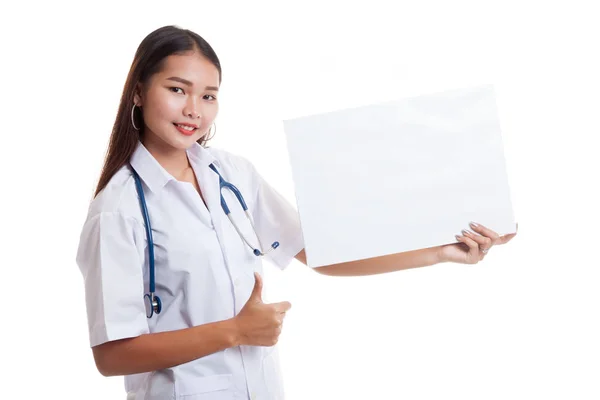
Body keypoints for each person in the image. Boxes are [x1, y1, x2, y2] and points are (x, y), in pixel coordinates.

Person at [76, 25, 518, 400]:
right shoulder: (117, 210)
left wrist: (441, 251)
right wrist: (236, 331)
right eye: (177, 90)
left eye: (209, 96)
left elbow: (318, 252)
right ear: (138, 91)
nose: (194, 109)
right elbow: (112, 355)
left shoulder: (231, 174)